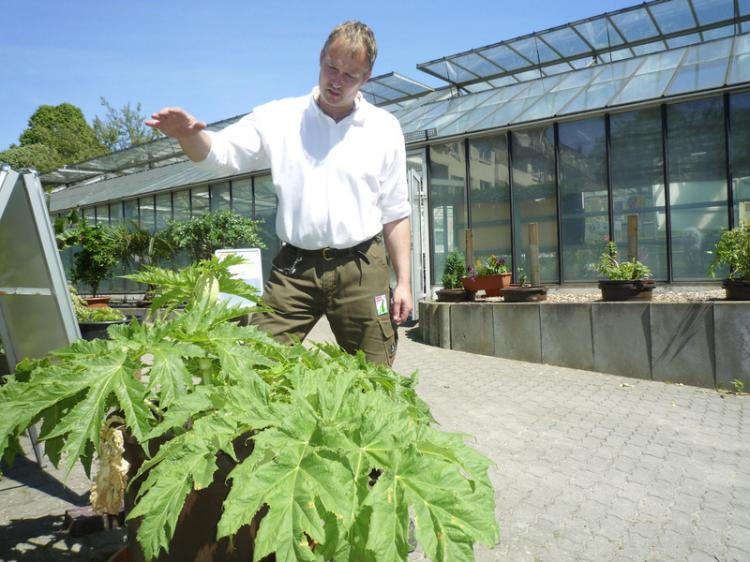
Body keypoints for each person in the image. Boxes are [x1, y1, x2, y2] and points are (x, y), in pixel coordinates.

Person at [146, 21, 412, 366]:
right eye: (332, 67)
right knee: (256, 363)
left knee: (374, 370)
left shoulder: (384, 128)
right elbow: (219, 155)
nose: (336, 81)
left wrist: (403, 282)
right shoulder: (281, 117)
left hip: (361, 267)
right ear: (320, 58)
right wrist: (188, 136)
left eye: (350, 75)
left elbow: (395, 211)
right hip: (295, 269)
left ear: (367, 78)